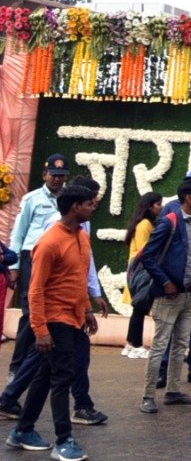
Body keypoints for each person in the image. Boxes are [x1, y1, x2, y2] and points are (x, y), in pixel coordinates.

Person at [5, 183, 98, 459]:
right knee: (62, 378)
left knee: (45, 377)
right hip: (55, 320)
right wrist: (40, 330)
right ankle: (64, 440)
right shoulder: (48, 242)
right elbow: (35, 290)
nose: (93, 207)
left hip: (74, 318)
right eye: (89, 203)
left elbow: (78, 278)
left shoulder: (82, 237)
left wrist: (88, 309)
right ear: (74, 207)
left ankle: (22, 430)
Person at [138, 177, 191, 413]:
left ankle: (173, 391)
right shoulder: (169, 222)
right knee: (160, 345)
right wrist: (165, 281)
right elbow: (148, 256)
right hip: (168, 295)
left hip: (189, 294)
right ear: (190, 197)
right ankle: (148, 396)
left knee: (180, 344)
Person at [7, 153, 71, 380]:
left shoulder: (69, 199)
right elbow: (18, 233)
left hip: (58, 261)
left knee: (49, 311)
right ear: (45, 174)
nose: (57, 180)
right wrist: (13, 266)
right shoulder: (32, 199)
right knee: (31, 312)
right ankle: (17, 367)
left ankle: (40, 366)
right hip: (31, 257)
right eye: (54, 175)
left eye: (62, 176)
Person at [121, 192, 162, 360]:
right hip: (141, 270)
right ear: (150, 206)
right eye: (158, 204)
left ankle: (131, 344)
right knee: (139, 308)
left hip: (139, 269)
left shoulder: (145, 223)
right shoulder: (145, 224)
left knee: (139, 308)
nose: (160, 207)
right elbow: (145, 249)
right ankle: (135, 344)